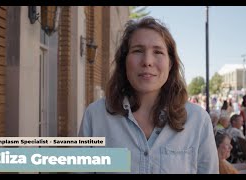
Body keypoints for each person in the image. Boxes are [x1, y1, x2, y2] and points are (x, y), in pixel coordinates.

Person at [78, 17, 219, 174]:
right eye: (138, 51)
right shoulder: (95, 116)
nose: (147, 61)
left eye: (158, 52)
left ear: (170, 64)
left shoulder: (198, 121)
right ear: (124, 60)